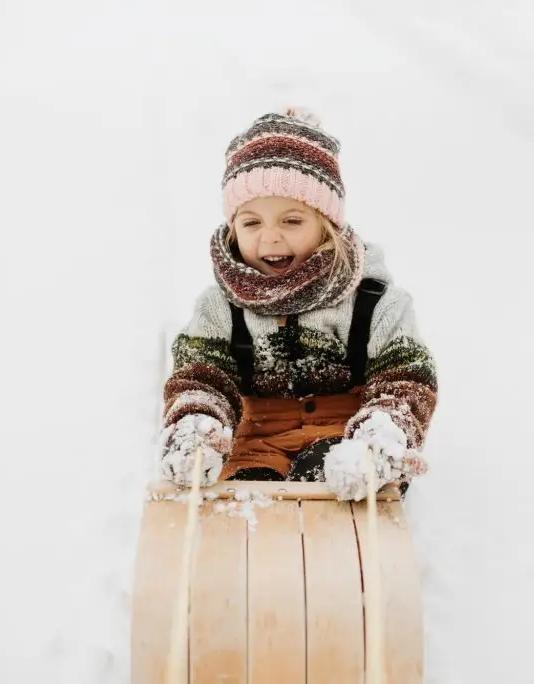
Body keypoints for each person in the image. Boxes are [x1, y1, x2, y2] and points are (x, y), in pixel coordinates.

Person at [157, 107, 437, 501]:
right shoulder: (219, 307)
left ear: (327, 224)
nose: (270, 239)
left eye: (291, 221)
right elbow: (201, 375)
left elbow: (405, 377)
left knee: (329, 492)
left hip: (344, 441)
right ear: (232, 227)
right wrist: (197, 423)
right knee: (249, 502)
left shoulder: (375, 302)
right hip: (254, 442)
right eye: (251, 223)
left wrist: (381, 432)